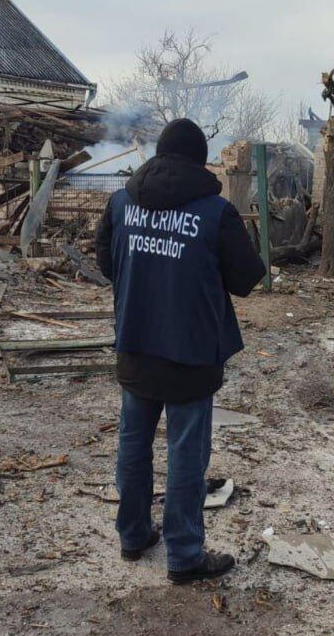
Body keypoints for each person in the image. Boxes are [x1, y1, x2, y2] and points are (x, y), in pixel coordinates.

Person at [95, 118, 266, 584]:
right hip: (191, 354)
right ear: (198, 159)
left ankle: (133, 536)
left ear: (158, 155)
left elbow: (106, 262)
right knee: (186, 453)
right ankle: (185, 554)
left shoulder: (121, 202)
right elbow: (248, 279)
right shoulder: (215, 213)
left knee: (133, 444)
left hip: (135, 344)